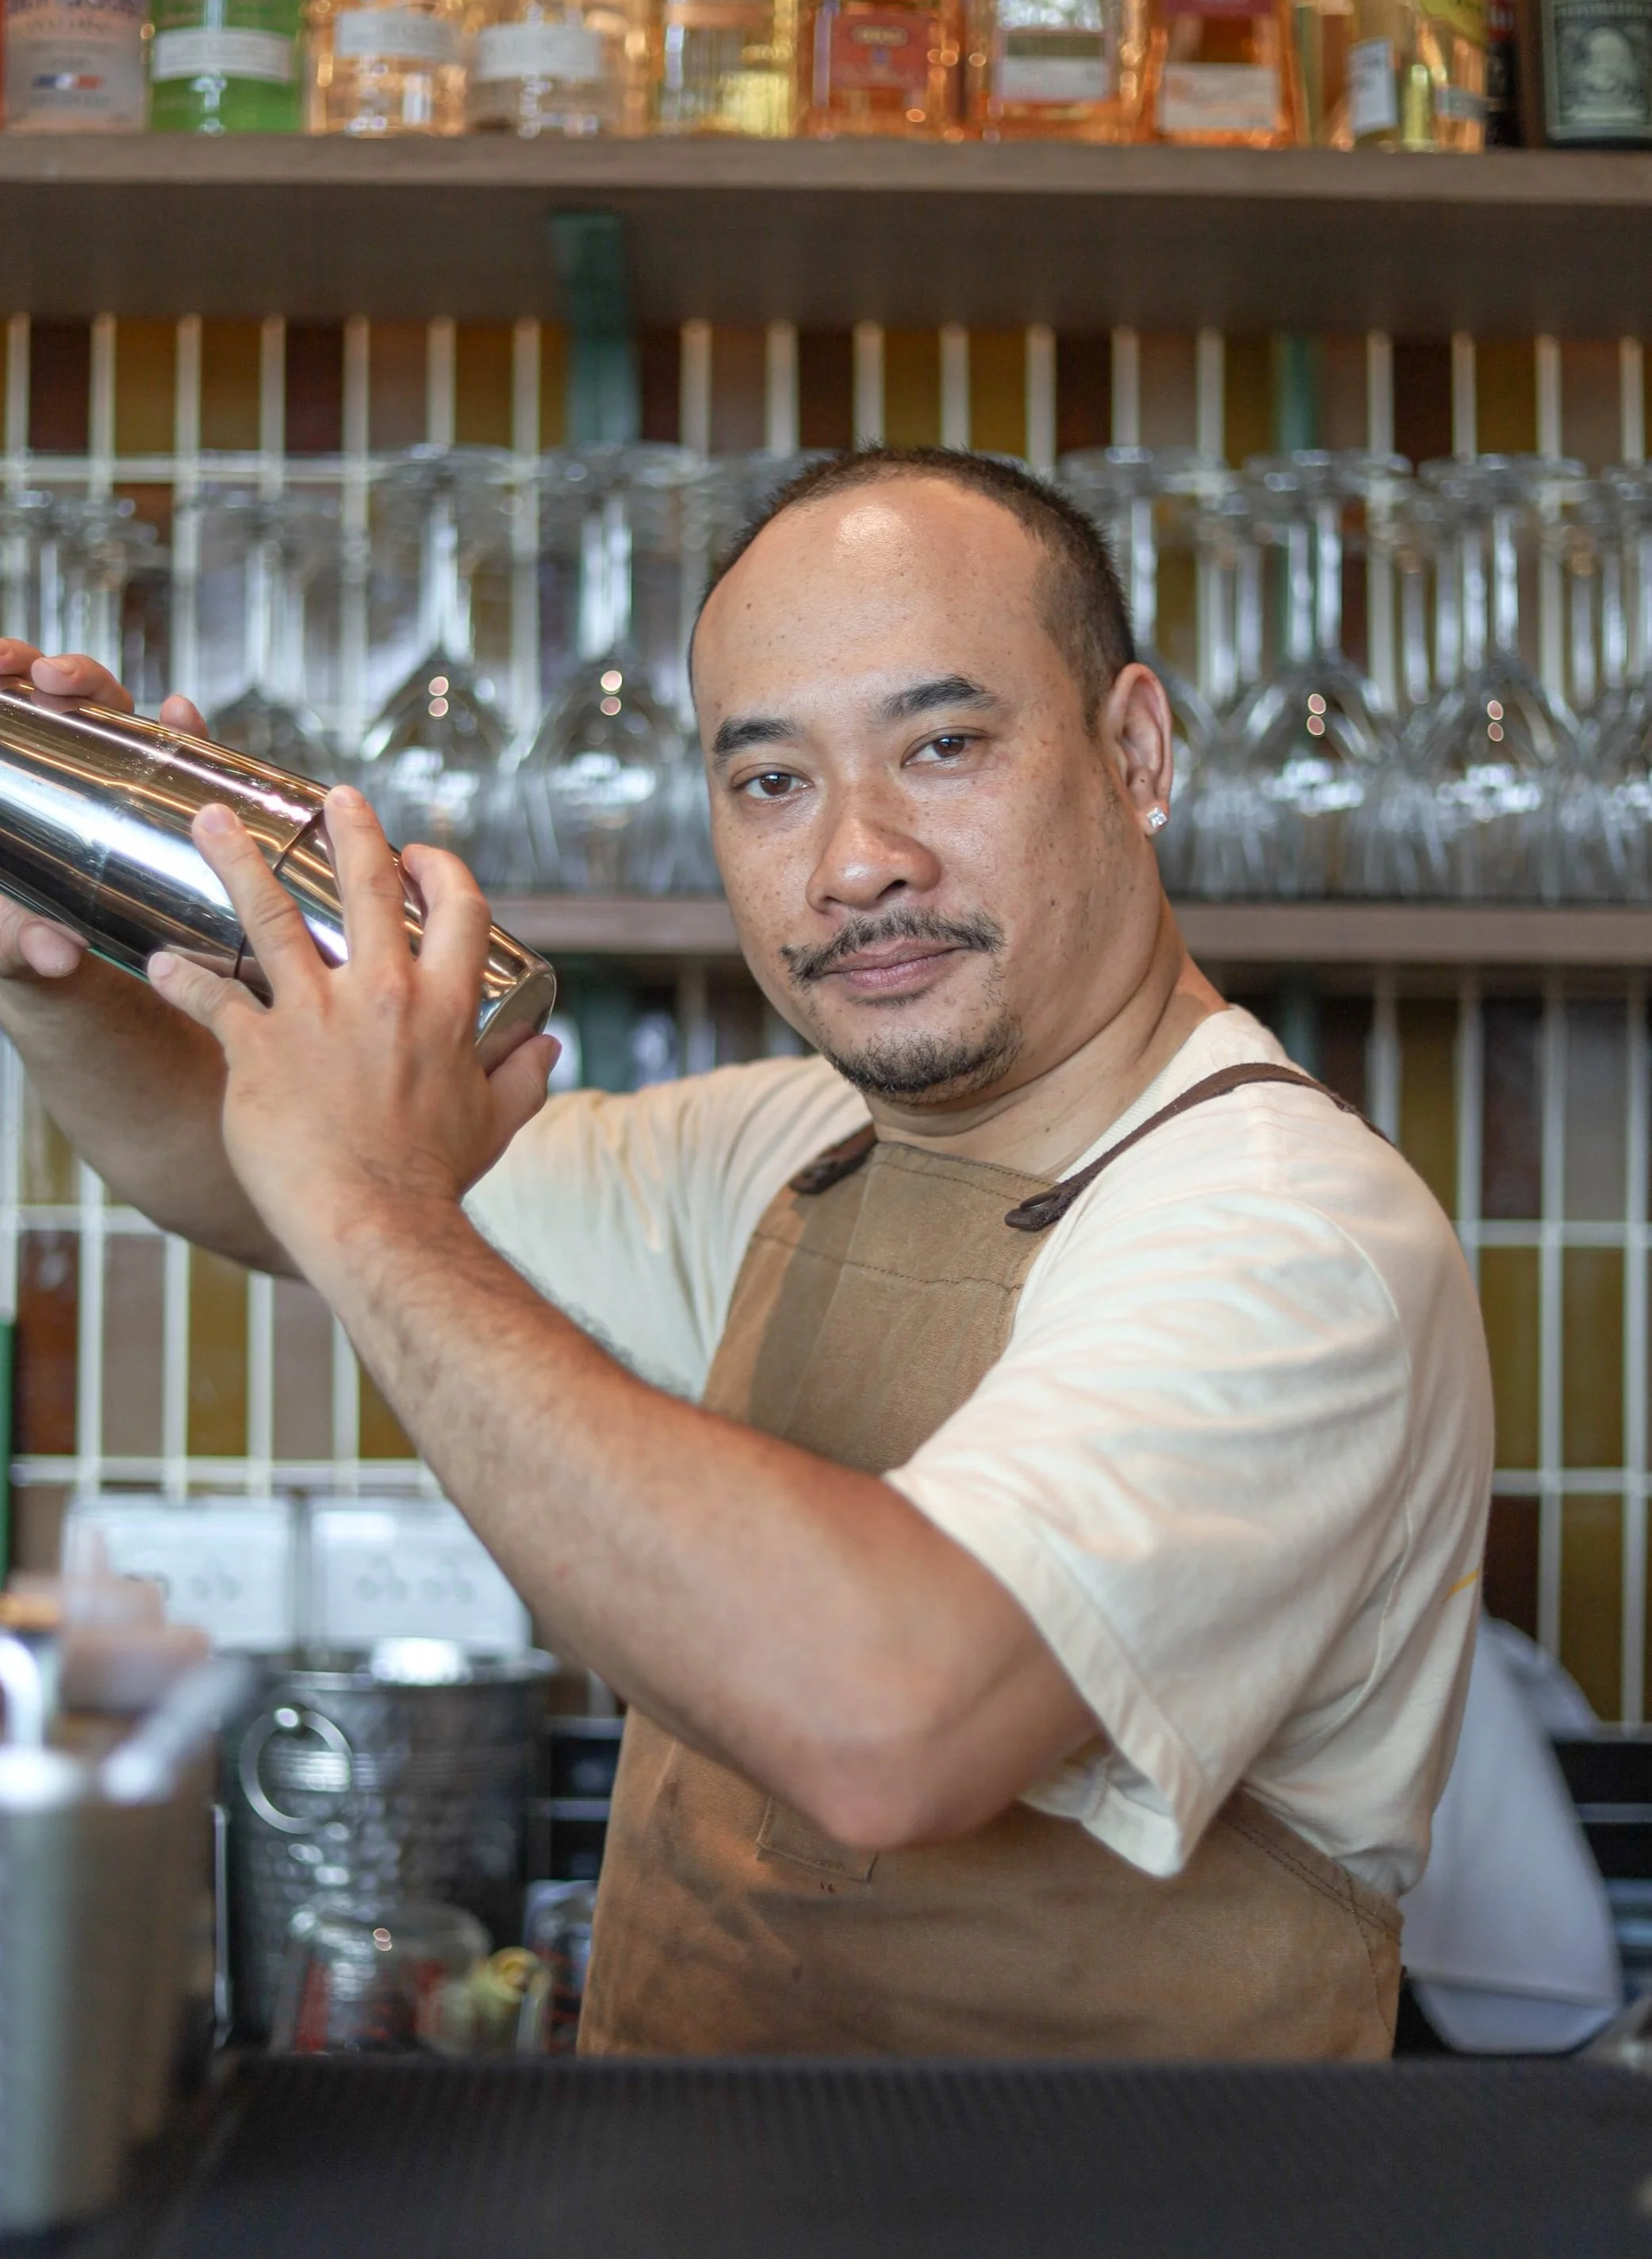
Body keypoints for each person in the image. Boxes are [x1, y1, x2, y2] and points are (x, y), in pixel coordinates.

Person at [0, 447, 1492, 2058]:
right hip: (693, 2189)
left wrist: (382, 1205)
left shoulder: (1290, 1226)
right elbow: (245, 1167)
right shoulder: (789, 1149)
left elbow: (890, 1720)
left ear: (1133, 748)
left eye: (944, 744)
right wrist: (54, 956)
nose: (858, 857)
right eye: (772, 779)